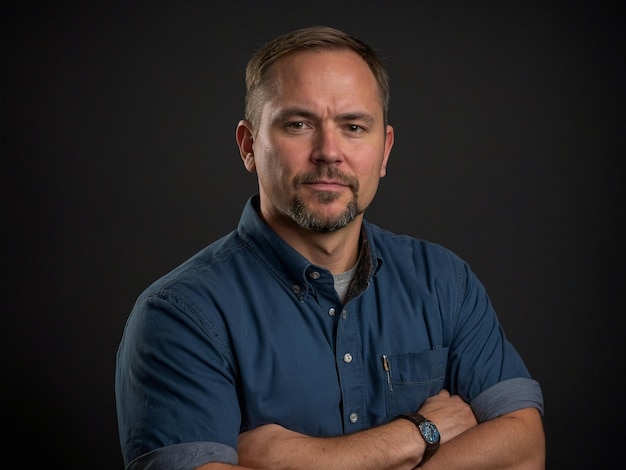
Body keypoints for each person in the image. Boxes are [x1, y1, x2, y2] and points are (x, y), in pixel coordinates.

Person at [115, 25, 545, 469]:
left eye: (354, 126)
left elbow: (524, 451)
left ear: (384, 152)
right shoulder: (180, 315)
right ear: (248, 146)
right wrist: (416, 434)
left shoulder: (444, 282)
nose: (329, 152)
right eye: (298, 124)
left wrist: (295, 458)